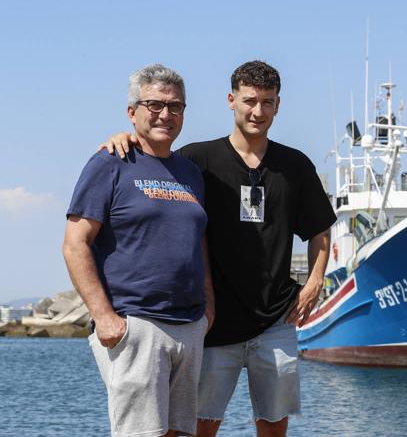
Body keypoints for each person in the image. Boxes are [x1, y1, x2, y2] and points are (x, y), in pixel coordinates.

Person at [101, 60, 336, 437]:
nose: (257, 111)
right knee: (198, 426)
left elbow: (320, 230)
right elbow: (151, 157)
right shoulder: (196, 161)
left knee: (275, 425)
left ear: (278, 105)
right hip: (211, 322)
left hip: (277, 320)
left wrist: (314, 282)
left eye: (267, 102)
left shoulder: (295, 165)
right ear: (231, 100)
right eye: (249, 100)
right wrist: (124, 137)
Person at [63, 64, 215, 437]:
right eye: (155, 104)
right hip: (137, 325)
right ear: (132, 112)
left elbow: (198, 241)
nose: (166, 114)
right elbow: (74, 243)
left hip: (189, 327)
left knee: (180, 433)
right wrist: (105, 317)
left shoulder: (190, 173)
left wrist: (208, 310)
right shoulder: (109, 163)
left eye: (176, 106)